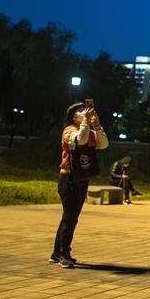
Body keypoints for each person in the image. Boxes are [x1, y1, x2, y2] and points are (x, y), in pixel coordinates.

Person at [49, 100, 109, 268]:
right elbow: (80, 140)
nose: (84, 112)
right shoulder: (69, 131)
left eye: (85, 110)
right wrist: (85, 122)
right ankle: (64, 254)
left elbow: (103, 144)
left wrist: (96, 125)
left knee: (70, 218)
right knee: (69, 218)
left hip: (82, 179)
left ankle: (56, 253)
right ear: (73, 117)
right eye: (80, 111)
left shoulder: (88, 130)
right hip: (68, 179)